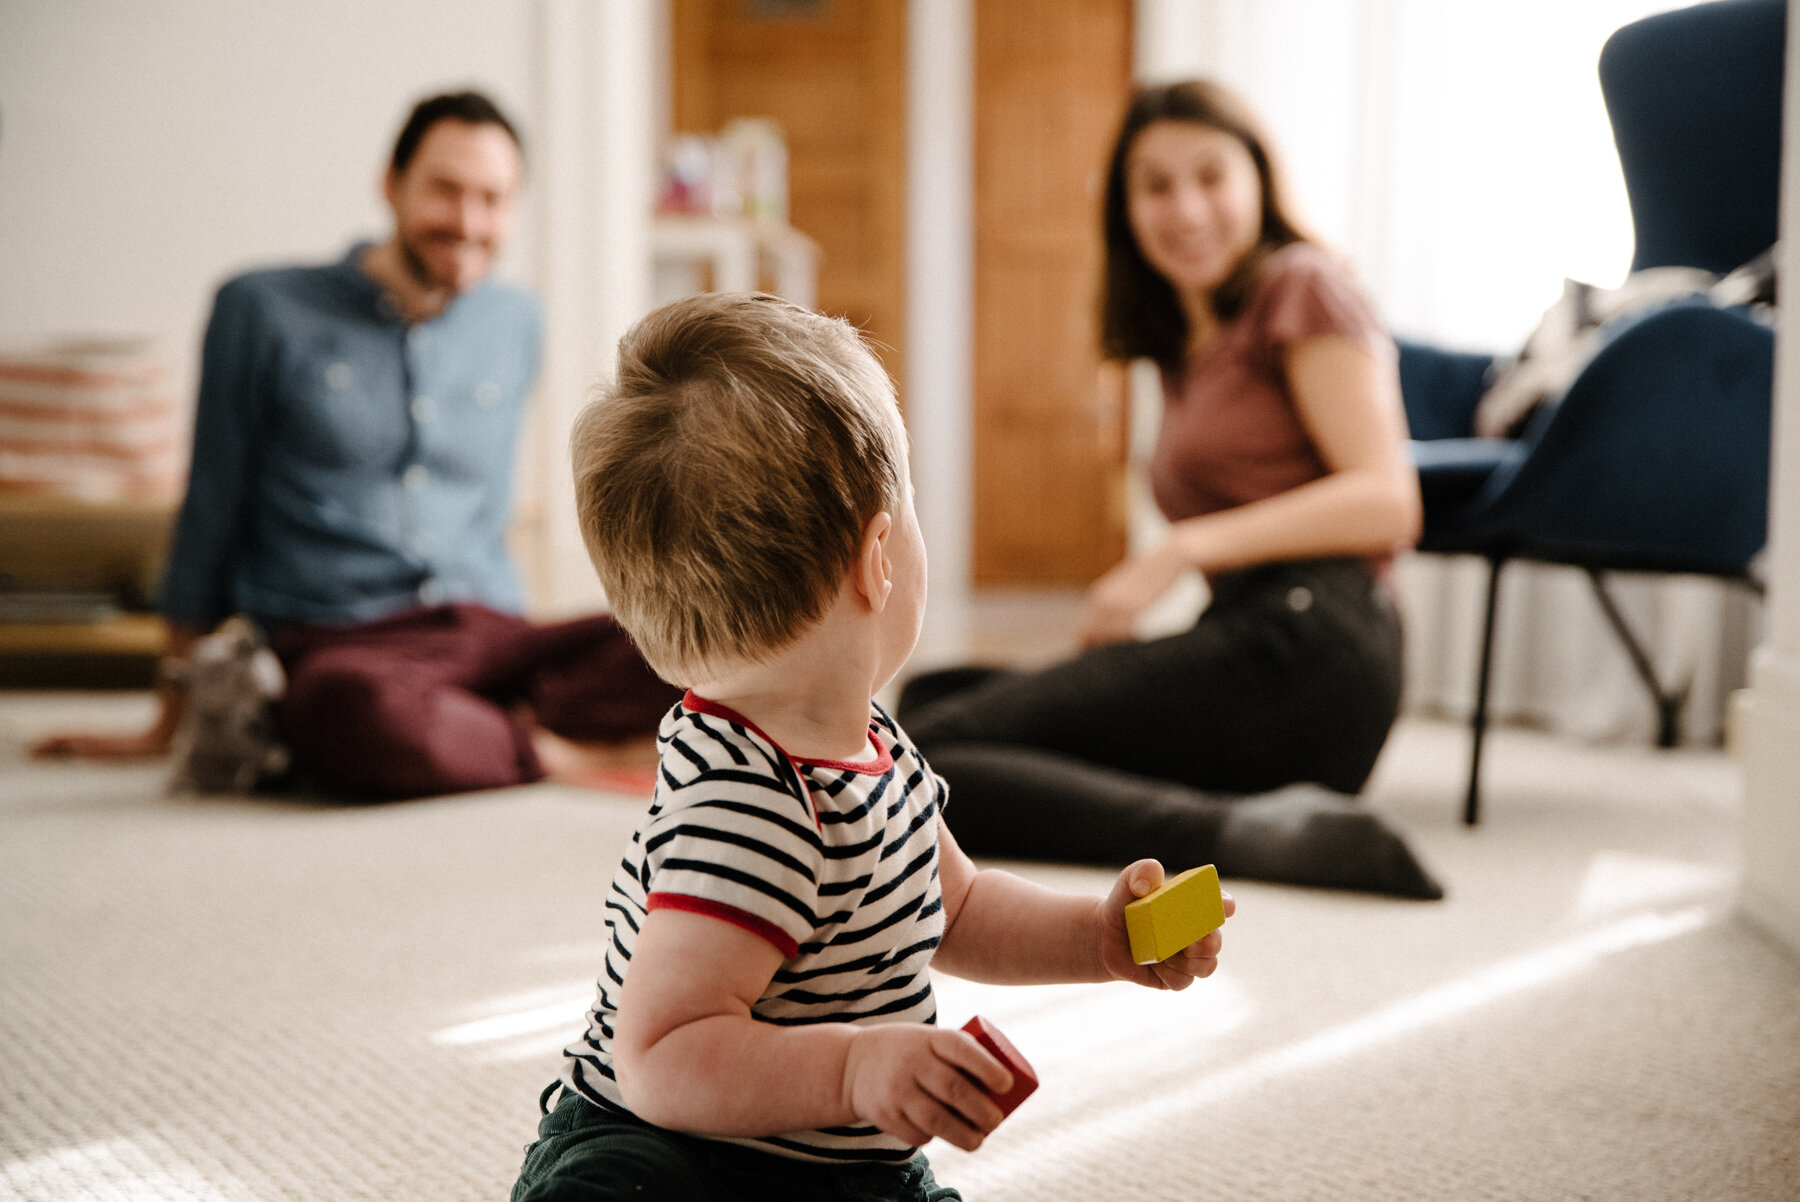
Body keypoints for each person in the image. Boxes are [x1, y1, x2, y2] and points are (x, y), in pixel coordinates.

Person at [511, 291, 1237, 1202]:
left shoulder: (877, 750)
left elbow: (961, 910)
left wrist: (1099, 938)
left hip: (844, 1167)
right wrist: (856, 1071)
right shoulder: (747, 805)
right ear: (880, 555)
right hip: (670, 1149)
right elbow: (660, 1056)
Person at [30, 90, 680, 798]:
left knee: (691, 634)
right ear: (391, 184)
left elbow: (487, 507)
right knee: (361, 714)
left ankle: (483, 732)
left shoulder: (516, 320)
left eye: (492, 199)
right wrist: (166, 722)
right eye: (445, 190)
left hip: (487, 630)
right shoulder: (261, 308)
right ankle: (558, 751)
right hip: (337, 643)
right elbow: (210, 510)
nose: (468, 222)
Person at [897, 79, 1442, 899]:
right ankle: (1243, 808)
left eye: (1210, 176)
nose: (1186, 210)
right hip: (1253, 641)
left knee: (923, 761)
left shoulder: (1299, 284)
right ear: (1126, 210)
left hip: (1316, 647)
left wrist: (1181, 549)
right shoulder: (1184, 342)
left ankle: (1231, 834)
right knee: (933, 699)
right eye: (1155, 186)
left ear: (1258, 179)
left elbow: (1388, 500)